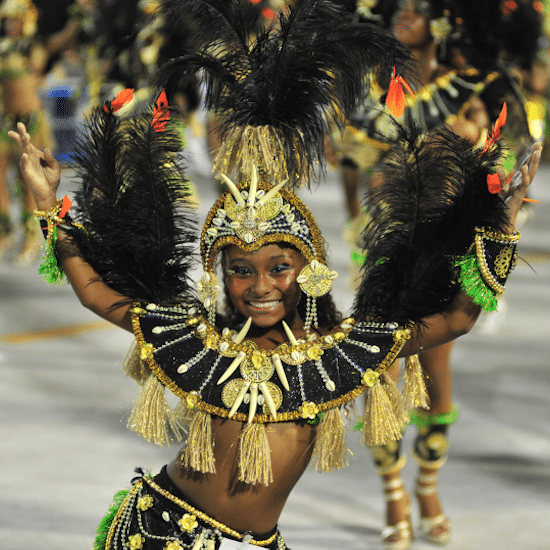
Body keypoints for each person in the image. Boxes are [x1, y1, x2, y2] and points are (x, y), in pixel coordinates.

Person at [9, 1, 541, 548]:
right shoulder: (196, 343)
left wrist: (499, 230)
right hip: (161, 532)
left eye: (279, 268)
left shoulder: (339, 354)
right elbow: (97, 295)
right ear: (219, 275)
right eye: (240, 270)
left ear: (309, 271)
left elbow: (455, 318)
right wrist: (50, 206)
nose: (260, 287)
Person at [333, 2, 540, 548]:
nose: (406, 15)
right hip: (381, 247)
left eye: (420, 8)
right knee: (382, 372)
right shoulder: (376, 86)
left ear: (445, 19)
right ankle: (393, 494)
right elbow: (353, 163)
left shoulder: (470, 84)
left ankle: (427, 488)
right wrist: (357, 217)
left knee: (434, 374)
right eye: (399, 7)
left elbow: (501, 156)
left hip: (447, 246)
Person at [0, 0, 55, 264]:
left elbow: (39, 69)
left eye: (16, 19)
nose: (11, 25)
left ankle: (30, 238)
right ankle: (4, 232)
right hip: (4, 119)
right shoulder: (3, 49)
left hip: (30, 121)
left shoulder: (33, 48)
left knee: (25, 181)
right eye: (8, 20)